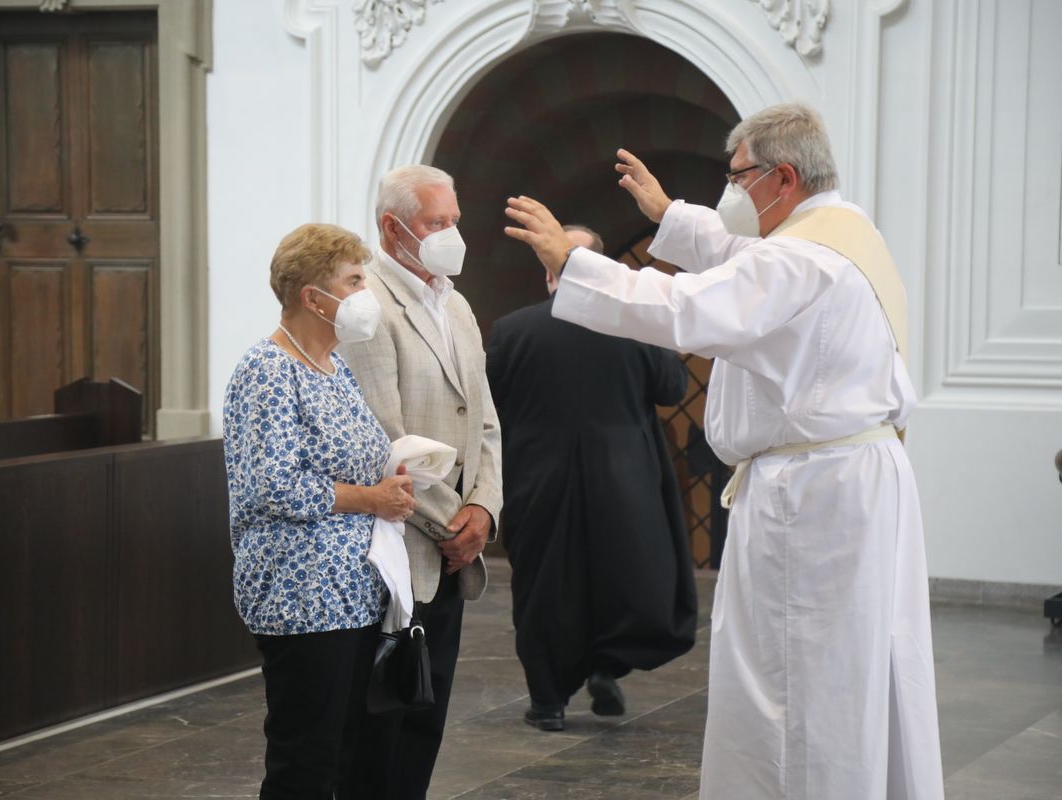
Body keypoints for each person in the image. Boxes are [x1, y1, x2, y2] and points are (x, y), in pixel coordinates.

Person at [503, 102, 945, 800]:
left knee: (797, 677)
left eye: (737, 177)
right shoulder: (843, 231)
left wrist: (576, 263)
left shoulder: (803, 259)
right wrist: (671, 217)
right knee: (852, 664)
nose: (729, 191)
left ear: (783, 177)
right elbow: (746, 258)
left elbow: (691, 308)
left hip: (814, 497)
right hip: (852, 479)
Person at [222, 223, 417, 800]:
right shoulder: (267, 370)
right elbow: (275, 483)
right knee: (304, 762)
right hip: (301, 594)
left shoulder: (337, 369)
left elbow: (356, 462)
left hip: (354, 591)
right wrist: (370, 498)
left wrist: (395, 479)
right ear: (314, 297)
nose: (367, 294)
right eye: (354, 281)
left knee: (348, 755)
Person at [485, 224, 698, 732]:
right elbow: (671, 388)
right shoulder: (634, 327)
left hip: (536, 478)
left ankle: (548, 701)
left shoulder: (512, 330)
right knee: (622, 577)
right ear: (604, 269)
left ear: (547, 270)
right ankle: (606, 665)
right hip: (624, 478)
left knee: (545, 585)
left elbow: (489, 407)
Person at [337, 165, 503, 799]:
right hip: (401, 548)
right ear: (392, 227)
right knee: (380, 725)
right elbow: (387, 436)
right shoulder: (369, 305)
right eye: (438, 224)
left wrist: (483, 509)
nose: (452, 235)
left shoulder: (455, 301)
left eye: (454, 221)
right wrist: (448, 525)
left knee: (426, 722)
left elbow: (484, 418)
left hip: (455, 543)